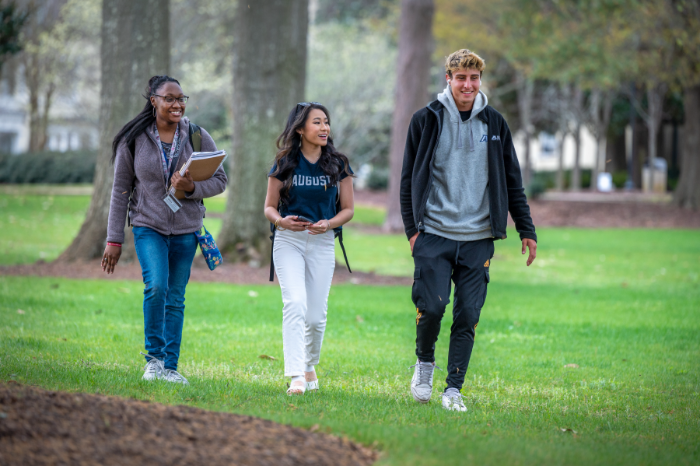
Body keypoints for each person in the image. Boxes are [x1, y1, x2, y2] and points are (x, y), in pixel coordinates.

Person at [400, 49, 537, 411]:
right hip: (434, 233)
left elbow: (512, 181)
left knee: (468, 315)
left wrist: (527, 229)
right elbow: (407, 180)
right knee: (432, 306)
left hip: (478, 239)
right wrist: (413, 231)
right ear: (448, 78)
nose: (467, 84)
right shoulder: (425, 120)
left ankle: (453, 390)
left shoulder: (494, 124)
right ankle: (425, 363)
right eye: (461, 77)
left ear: (480, 81)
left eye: (474, 78)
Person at [101, 75, 227, 385]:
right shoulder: (135, 139)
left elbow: (221, 180)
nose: (177, 104)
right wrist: (114, 239)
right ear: (153, 100)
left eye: (181, 98)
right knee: (156, 287)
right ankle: (153, 360)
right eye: (169, 98)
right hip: (148, 225)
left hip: (186, 230)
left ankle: (170, 368)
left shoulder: (197, 136)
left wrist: (191, 187)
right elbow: (120, 190)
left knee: (175, 297)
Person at [264, 102, 354, 395]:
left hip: (322, 242)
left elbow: (348, 210)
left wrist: (328, 224)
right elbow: (268, 207)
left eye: (326, 122)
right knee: (295, 304)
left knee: (316, 316)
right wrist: (281, 222)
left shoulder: (338, 164)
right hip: (289, 241)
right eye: (317, 122)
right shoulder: (284, 163)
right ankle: (296, 376)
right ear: (300, 129)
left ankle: (308, 364)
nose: (324, 127)